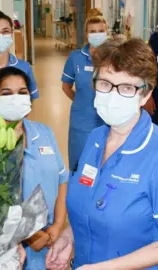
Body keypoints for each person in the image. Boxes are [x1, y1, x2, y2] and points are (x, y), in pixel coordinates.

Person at [46, 37, 158, 270]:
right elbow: (89, 203)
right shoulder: (95, 138)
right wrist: (69, 235)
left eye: (126, 88)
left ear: (145, 95)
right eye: (105, 83)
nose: (112, 95)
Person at [0, 67, 68, 270]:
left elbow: (62, 179)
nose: (15, 98)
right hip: (8, 248)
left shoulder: (44, 132)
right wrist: (31, 234)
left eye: (22, 92)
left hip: (49, 242)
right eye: (6, 93)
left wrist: (58, 225)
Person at [61, 12, 108, 171]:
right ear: (86, 35)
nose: (96, 35)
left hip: (107, 119)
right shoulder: (76, 57)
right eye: (92, 31)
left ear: (106, 32)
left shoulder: (112, 57)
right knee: (79, 163)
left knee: (103, 162)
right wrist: (79, 100)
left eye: (100, 31)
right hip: (82, 119)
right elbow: (66, 86)